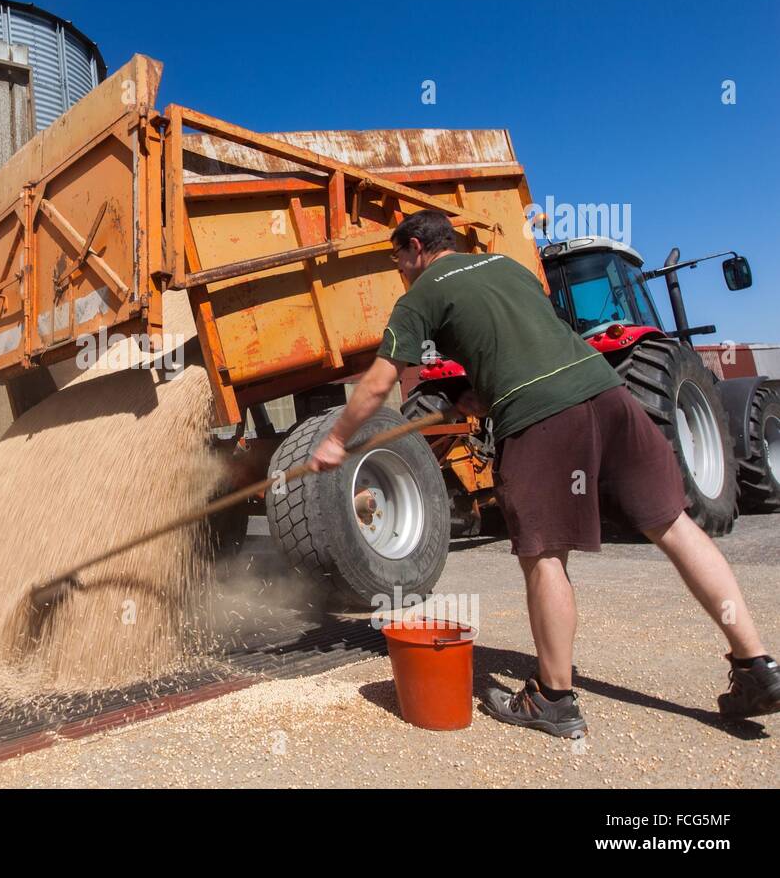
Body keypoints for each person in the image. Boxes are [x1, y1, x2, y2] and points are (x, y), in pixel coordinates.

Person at [309, 209, 779, 736]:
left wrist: (334, 440)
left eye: (399, 259)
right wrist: (479, 396)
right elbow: (528, 346)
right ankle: (755, 663)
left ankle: (553, 698)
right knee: (674, 526)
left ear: (416, 247)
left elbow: (377, 383)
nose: (400, 269)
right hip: (608, 394)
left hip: (542, 418)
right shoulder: (508, 266)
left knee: (543, 554)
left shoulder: (419, 295)